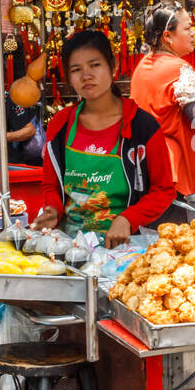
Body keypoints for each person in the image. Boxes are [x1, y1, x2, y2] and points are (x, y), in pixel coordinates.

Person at [33, 30, 175, 247]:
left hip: (125, 247)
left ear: (113, 66)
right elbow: (51, 185)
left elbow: (163, 190)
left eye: (94, 65)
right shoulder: (60, 123)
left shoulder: (142, 126)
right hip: (68, 246)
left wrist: (128, 219)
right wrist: (52, 210)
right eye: (76, 69)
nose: (86, 75)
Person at [129, 1, 195, 196]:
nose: (193, 33)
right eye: (187, 28)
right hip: (171, 172)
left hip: (144, 166)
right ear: (168, 36)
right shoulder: (176, 68)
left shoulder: (143, 66)